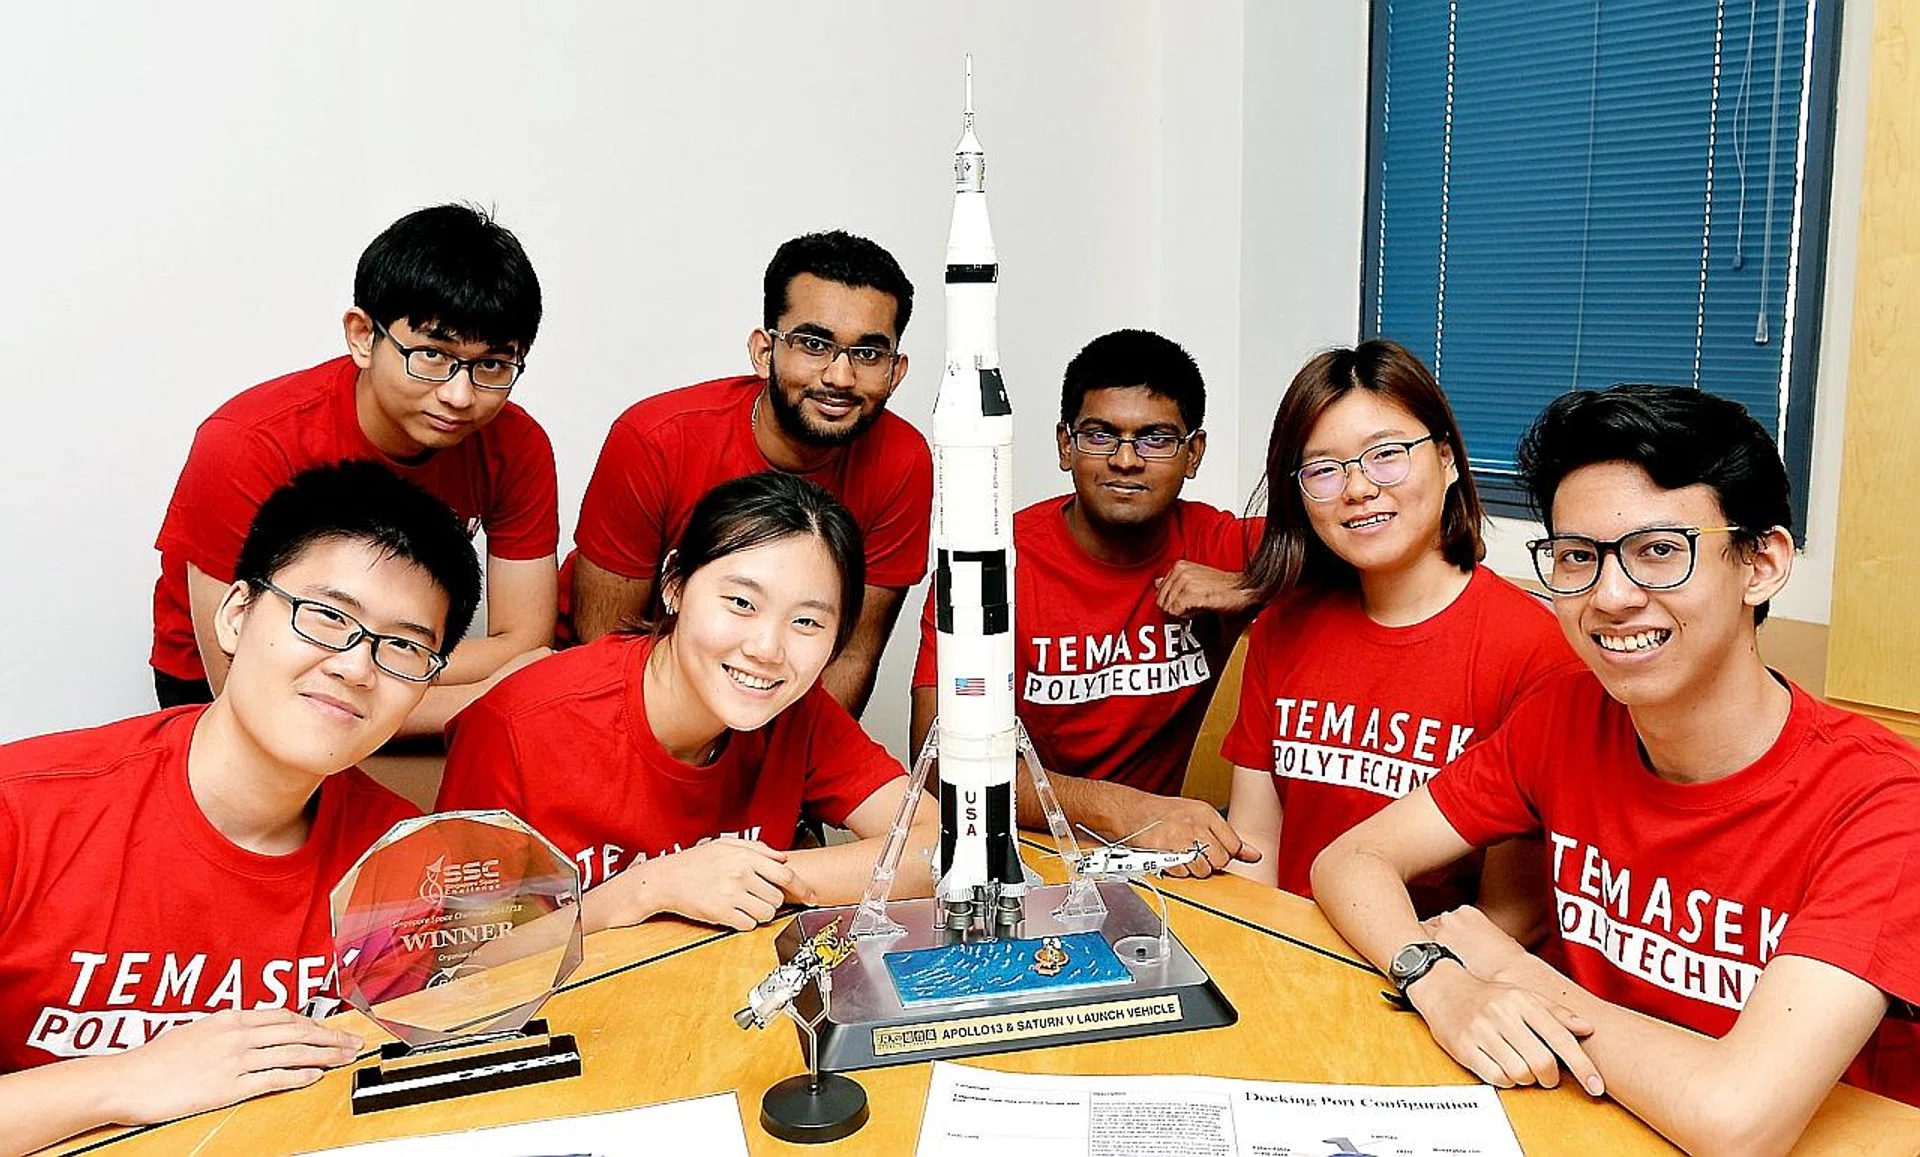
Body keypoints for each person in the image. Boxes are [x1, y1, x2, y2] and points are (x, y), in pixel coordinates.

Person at [1312, 384, 1920, 1155]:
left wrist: (1520, 975)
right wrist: (1440, 978)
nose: (1610, 596)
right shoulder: (1565, 714)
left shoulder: (1885, 803)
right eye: (1577, 556)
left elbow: (1738, 1120)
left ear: (1762, 563)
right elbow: (1351, 858)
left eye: (1659, 550)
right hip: (1580, 1121)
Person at [0, 462, 482, 1156]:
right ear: (235, 614)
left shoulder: (407, 860)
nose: (355, 667)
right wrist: (123, 1080)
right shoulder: (22, 810)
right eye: (329, 617)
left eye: (404, 647)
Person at [441, 471, 937, 933]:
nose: (767, 650)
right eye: (741, 603)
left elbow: (937, 848)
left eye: (806, 622)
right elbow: (460, 961)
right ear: (674, 584)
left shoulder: (796, 710)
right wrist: (649, 888)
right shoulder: (518, 725)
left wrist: (746, 876)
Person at [152, 203, 558, 735]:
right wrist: (483, 695)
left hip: (389, 680)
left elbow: (525, 643)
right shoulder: (248, 444)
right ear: (363, 336)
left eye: (492, 365)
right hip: (216, 692)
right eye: (432, 355)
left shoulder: (516, 445)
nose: (460, 395)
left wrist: (378, 669)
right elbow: (243, 685)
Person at [1222, 341, 1577, 937]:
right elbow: (1256, 845)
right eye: (1323, 469)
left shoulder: (1536, 649)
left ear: (1447, 460)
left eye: (1385, 455)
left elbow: (1510, 917)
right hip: (1290, 956)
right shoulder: (1283, 626)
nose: (1357, 488)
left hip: (1431, 973)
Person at [908, 329, 1261, 875]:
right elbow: (937, 767)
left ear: (1193, 453)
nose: (1126, 460)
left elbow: (1374, 547)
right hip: (1023, 851)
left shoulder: (1218, 544)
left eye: (1156, 439)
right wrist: (1122, 810)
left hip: (1164, 859)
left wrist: (1248, 587)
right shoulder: (988, 566)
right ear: (1064, 445)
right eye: (1100, 435)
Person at [565, 230, 931, 715]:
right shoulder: (656, 439)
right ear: (763, 352)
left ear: (895, 371)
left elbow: (851, 655)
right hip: (618, 692)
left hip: (758, 699)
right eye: (813, 344)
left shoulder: (902, 461)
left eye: (867, 354)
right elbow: (605, 642)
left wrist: (784, 758)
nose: (840, 377)